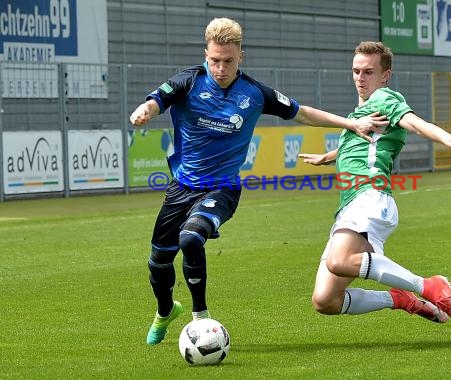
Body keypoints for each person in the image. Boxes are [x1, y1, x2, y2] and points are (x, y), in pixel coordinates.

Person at [129, 19, 388, 345]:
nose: (221, 68)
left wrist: (352, 123)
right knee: (158, 263)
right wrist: (146, 110)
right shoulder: (188, 82)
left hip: (222, 188)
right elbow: (157, 99)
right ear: (205, 55)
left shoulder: (254, 93)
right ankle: (166, 311)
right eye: (214, 60)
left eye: (228, 61)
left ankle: (201, 321)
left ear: (242, 57)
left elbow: (304, 113)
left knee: (191, 239)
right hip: (181, 187)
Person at [299, 41, 451, 329]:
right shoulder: (360, 113)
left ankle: (430, 286)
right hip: (351, 204)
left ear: (385, 76)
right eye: (356, 71)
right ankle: (401, 299)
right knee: (325, 300)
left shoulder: (386, 99)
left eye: (368, 72)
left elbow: (413, 123)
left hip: (370, 197)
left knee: (339, 261)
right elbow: (361, 144)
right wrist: (327, 157)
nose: (360, 78)